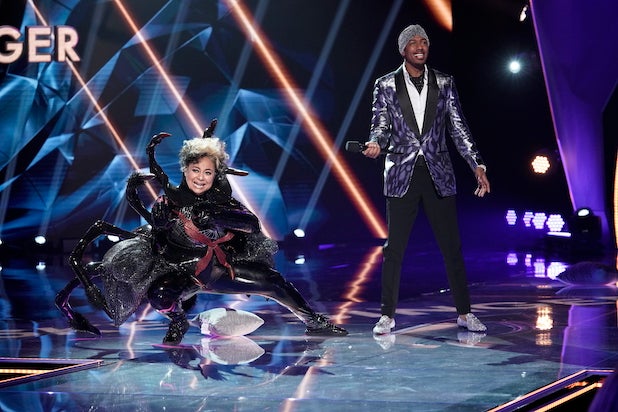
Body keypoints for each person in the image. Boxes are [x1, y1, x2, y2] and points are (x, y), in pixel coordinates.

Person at [362, 24, 490, 335]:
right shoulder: (386, 84)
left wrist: (477, 164)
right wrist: (376, 142)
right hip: (401, 173)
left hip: (438, 172)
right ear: (403, 49)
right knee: (394, 249)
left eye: (424, 42)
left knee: (451, 247)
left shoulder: (444, 82)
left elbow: (457, 127)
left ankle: (464, 313)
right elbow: (380, 123)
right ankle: (386, 316)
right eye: (413, 43)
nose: (420, 47)